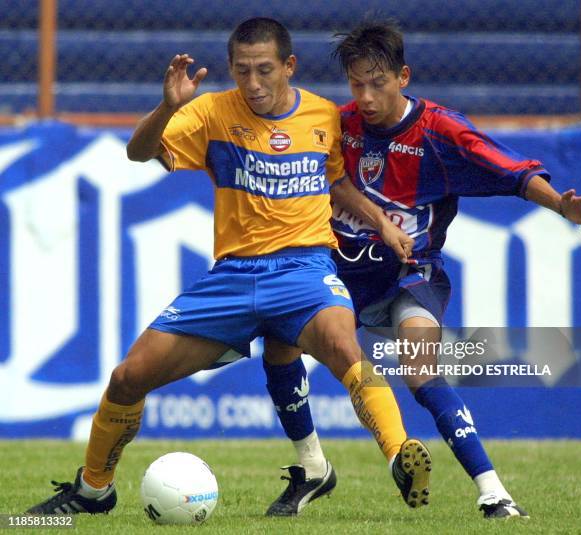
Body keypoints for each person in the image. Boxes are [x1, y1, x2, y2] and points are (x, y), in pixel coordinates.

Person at [26, 17, 431, 516]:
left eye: (265, 70)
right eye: (242, 71)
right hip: (233, 279)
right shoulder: (213, 112)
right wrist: (168, 107)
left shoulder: (324, 117)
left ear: (289, 66)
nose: (254, 84)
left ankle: (399, 454)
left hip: (304, 272)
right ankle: (93, 490)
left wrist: (381, 223)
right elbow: (139, 152)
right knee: (128, 377)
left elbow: (337, 181)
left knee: (345, 347)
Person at [262, 20, 581, 519]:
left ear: (404, 76)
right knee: (279, 342)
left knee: (420, 369)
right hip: (342, 272)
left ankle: (493, 493)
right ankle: (312, 467)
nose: (367, 97)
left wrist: (559, 206)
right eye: (357, 84)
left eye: (378, 83)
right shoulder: (339, 125)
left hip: (409, 274)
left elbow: (512, 171)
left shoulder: (442, 131)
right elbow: (319, 174)